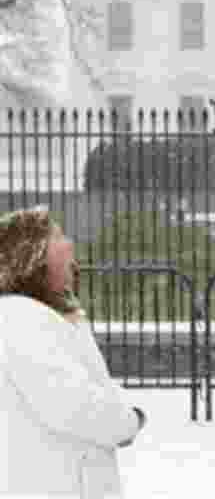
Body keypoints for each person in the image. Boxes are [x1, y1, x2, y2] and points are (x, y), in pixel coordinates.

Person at [0, 206, 147, 498]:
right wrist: (127, 422)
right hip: (56, 481)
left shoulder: (42, 315)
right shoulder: (22, 318)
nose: (69, 244)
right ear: (32, 256)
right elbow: (71, 403)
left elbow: (90, 387)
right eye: (57, 236)